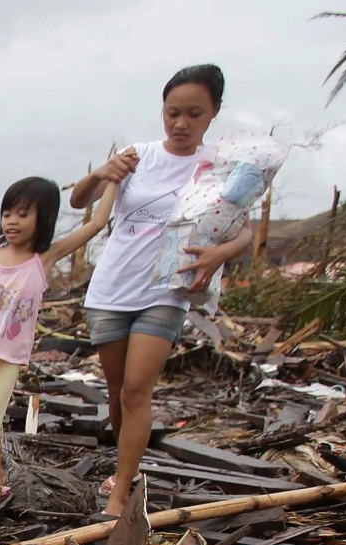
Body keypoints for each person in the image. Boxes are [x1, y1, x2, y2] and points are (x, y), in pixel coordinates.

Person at [71, 63, 254, 517]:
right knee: (116, 392)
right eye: (173, 112)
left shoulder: (217, 170)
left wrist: (218, 255)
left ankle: (119, 497)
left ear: (213, 113)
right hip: (112, 288)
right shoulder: (138, 156)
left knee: (137, 390)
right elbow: (79, 200)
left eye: (194, 113)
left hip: (166, 290)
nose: (180, 123)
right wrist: (101, 173)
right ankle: (124, 467)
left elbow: (243, 231)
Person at [0, 176, 116, 524]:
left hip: (9, 355)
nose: (11, 221)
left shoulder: (43, 258)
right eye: (7, 214)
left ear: (43, 218)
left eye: (22, 214)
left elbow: (96, 223)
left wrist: (113, 181)